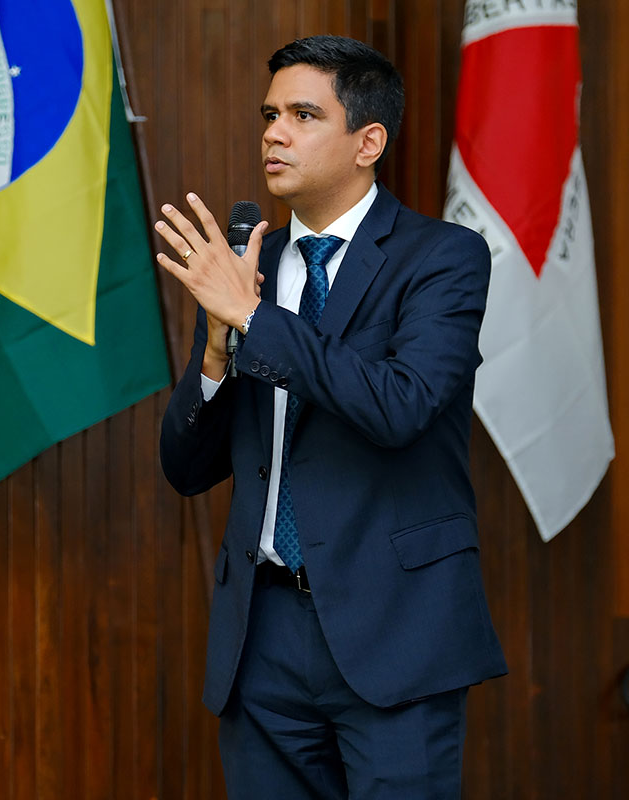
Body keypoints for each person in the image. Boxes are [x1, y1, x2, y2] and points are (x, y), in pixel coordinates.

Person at [155, 35, 507, 799]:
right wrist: (218, 351)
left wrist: (251, 315)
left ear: (367, 142)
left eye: (303, 114)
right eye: (269, 114)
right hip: (263, 635)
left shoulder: (443, 257)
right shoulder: (248, 263)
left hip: (396, 632)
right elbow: (187, 470)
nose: (273, 133)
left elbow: (400, 405)